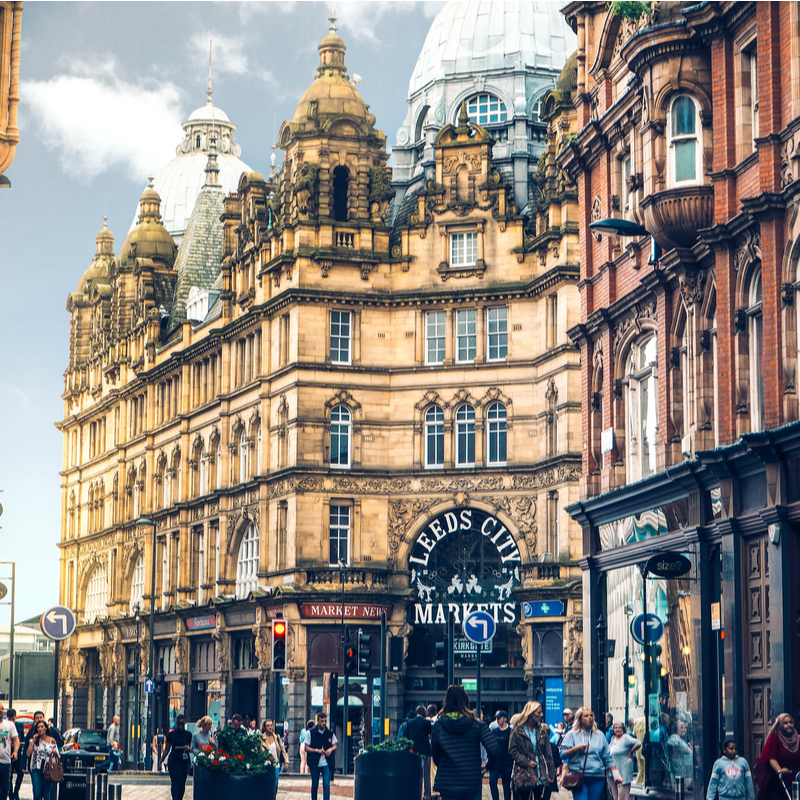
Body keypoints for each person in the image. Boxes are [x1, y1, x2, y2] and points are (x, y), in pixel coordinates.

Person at [431, 684, 499, 800]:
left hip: (447, 784)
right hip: (471, 782)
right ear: (466, 701)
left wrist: (445, 766)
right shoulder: (476, 724)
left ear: (446, 701)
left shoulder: (438, 726)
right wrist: (488, 767)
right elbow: (494, 750)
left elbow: (436, 755)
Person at [560, 707, 622, 800]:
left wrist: (615, 773)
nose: (590, 718)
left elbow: (607, 756)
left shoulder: (600, 735)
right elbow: (562, 753)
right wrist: (576, 749)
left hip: (597, 777)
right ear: (580, 719)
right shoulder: (571, 734)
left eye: (591, 715)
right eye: (586, 716)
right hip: (579, 777)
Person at [508, 701, 555, 800]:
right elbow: (512, 751)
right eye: (538, 712)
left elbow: (548, 753)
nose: (541, 715)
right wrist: (527, 762)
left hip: (541, 773)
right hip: (524, 774)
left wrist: (551, 772)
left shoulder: (542, 730)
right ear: (530, 713)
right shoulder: (518, 730)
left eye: (541, 712)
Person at [754, 714, 800, 800]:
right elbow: (772, 758)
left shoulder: (798, 739)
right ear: (780, 725)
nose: (789, 725)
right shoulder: (774, 739)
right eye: (785, 723)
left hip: (796, 778)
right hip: (779, 781)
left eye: (790, 722)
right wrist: (779, 770)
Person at [159, 715, 192, 800]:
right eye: (179, 723)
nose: (181, 725)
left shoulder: (188, 735)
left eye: (182, 723)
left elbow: (190, 747)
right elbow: (166, 749)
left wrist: (188, 748)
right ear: (176, 723)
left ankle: (180, 798)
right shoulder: (171, 735)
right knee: (175, 782)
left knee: (182, 783)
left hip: (184, 761)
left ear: (184, 723)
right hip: (174, 760)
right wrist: (161, 761)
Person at [306, 712, 337, 800]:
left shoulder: (329, 733)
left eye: (325, 721)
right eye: (322, 721)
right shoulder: (311, 733)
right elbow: (306, 747)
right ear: (317, 721)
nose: (324, 723)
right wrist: (317, 750)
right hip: (314, 763)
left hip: (326, 763)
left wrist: (330, 749)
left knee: (326, 785)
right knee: (315, 785)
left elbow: (335, 744)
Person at [406, 706, 433, 800]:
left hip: (414, 752)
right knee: (426, 775)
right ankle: (427, 796)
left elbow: (408, 737)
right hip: (425, 751)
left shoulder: (410, 723)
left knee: (415, 774)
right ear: (423, 712)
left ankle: (414, 794)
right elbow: (431, 734)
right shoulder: (426, 723)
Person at [608, 722, 640, 800]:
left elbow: (638, 743)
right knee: (615, 796)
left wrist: (631, 751)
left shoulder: (626, 738)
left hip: (624, 770)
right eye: (615, 728)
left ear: (623, 729)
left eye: (619, 727)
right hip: (613, 771)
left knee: (622, 796)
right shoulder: (613, 738)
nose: (617, 729)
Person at [25, 720, 56, 800]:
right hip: (36, 768)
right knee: (37, 794)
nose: (40, 729)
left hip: (48, 769)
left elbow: (57, 755)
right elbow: (28, 754)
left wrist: (54, 752)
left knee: (46, 794)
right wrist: (33, 742)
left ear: (46, 728)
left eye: (42, 727)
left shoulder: (51, 740)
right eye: (38, 727)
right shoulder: (33, 741)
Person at [489, 711, 513, 800]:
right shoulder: (494, 731)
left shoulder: (510, 732)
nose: (497, 720)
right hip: (496, 763)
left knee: (506, 785)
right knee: (492, 782)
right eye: (496, 718)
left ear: (505, 718)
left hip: (507, 763)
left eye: (499, 718)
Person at [0, 704, 20, 800]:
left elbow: (16, 739)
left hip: (6, 762)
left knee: (5, 789)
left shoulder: (10, 725)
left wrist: (15, 751)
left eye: (2, 708)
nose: (1, 710)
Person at [261, 720, 287, 790]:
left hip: (276, 764)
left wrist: (286, 761)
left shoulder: (277, 737)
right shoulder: (261, 738)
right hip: (265, 765)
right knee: (266, 784)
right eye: (268, 725)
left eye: (271, 725)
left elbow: (282, 749)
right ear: (265, 727)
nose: (270, 727)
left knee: (275, 784)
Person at [7, 711, 24, 800]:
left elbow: (21, 737)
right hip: (8, 752)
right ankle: (10, 793)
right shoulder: (6, 725)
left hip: (17, 753)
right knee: (8, 774)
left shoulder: (19, 725)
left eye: (13, 719)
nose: (12, 721)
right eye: (10, 719)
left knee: (20, 772)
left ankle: (16, 790)